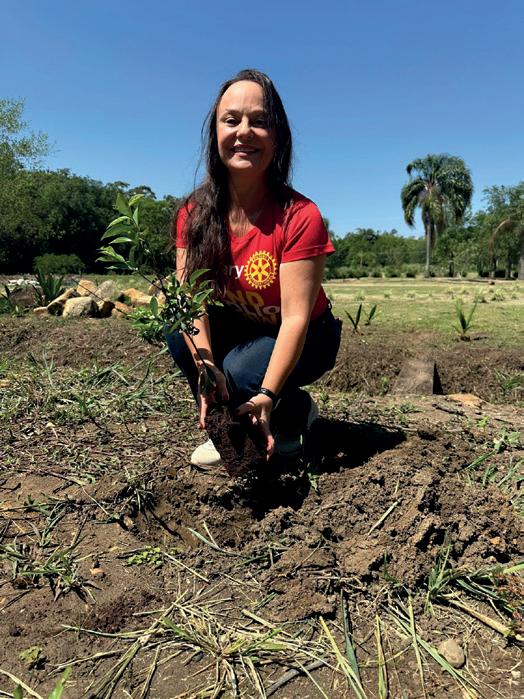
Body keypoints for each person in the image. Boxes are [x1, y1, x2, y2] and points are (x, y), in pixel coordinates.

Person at [165, 68, 341, 466]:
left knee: (243, 371)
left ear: (277, 137)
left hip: (310, 335)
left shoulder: (300, 215)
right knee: (180, 333)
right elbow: (189, 302)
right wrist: (205, 367)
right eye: (231, 120)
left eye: (259, 121)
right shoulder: (194, 214)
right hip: (247, 326)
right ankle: (229, 429)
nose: (244, 132)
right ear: (215, 133)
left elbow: (295, 320)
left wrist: (267, 393)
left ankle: (290, 411)